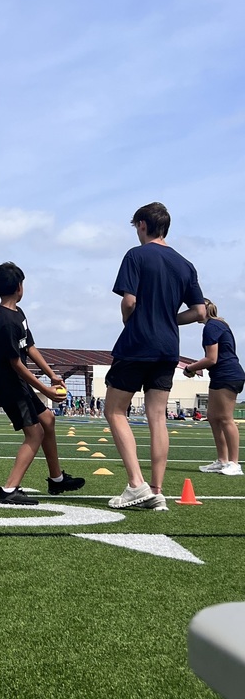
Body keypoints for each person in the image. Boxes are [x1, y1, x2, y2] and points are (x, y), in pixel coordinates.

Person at [104, 202, 206, 511]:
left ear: (143, 225)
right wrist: (168, 319)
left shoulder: (136, 255)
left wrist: (128, 319)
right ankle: (157, 490)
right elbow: (200, 312)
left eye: (136, 226)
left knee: (115, 411)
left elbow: (130, 302)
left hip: (137, 343)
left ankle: (136, 485)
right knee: (157, 417)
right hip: (167, 348)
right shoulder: (185, 264)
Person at [0, 262, 83, 505]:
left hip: (16, 380)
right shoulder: (4, 322)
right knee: (34, 433)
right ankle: (9, 490)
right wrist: (45, 389)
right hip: (7, 382)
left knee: (47, 419)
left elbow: (29, 347)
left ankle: (57, 479)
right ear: (19, 287)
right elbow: (16, 363)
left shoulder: (18, 313)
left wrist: (51, 375)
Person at [184, 298, 243, 476]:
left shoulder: (212, 327)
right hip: (220, 375)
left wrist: (190, 368)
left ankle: (234, 463)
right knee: (213, 417)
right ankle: (222, 460)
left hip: (228, 375)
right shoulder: (217, 325)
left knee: (225, 418)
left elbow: (212, 358)